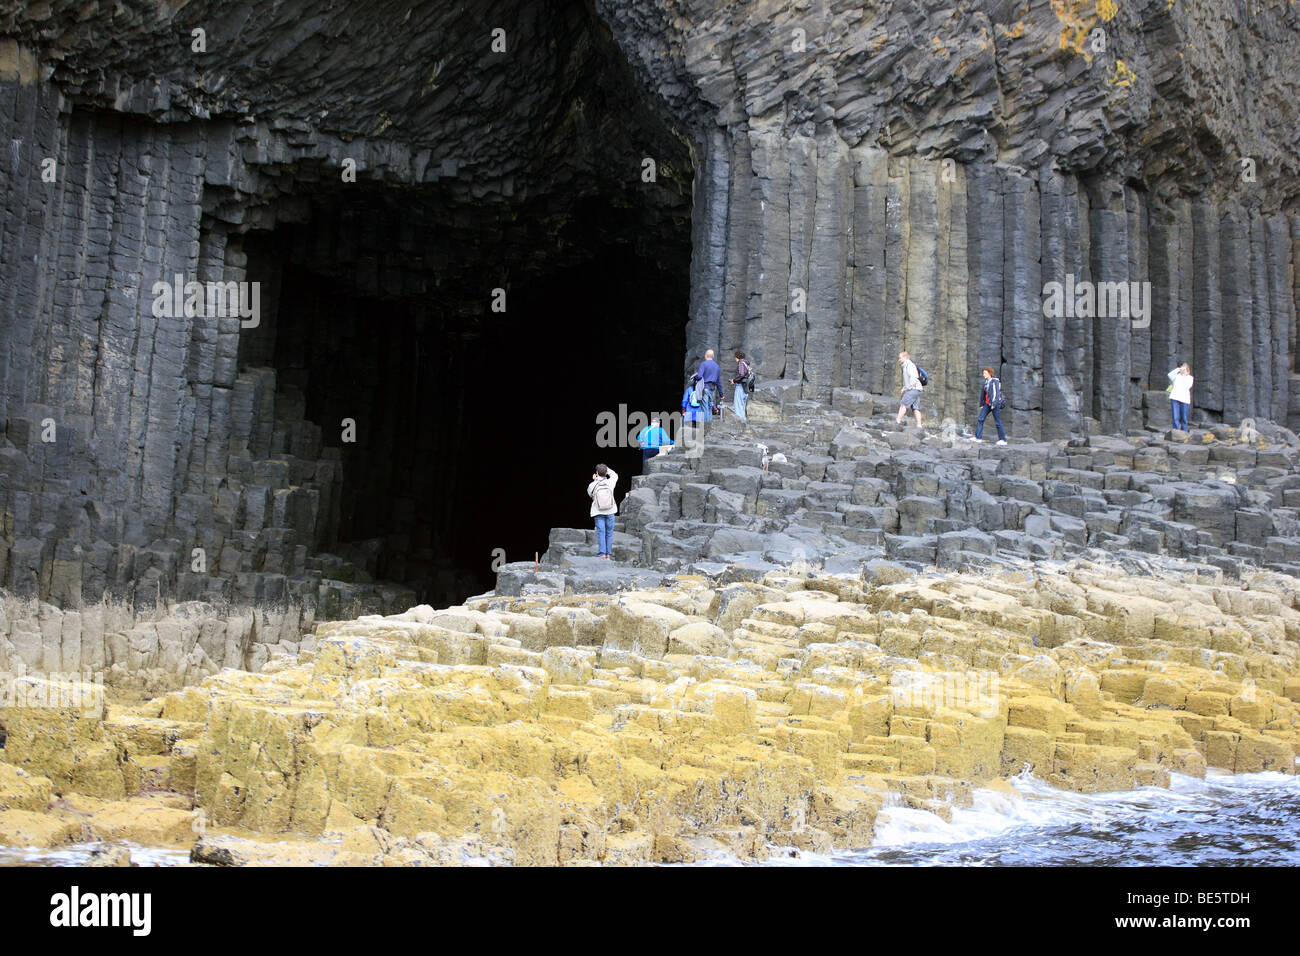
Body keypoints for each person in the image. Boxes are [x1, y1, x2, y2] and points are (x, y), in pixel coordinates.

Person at [587, 464, 619, 559]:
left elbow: (590, 495)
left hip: (598, 511)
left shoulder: (592, 485)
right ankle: (608, 554)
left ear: (596, 473)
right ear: (606, 473)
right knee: (609, 532)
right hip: (610, 510)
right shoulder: (611, 482)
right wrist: (606, 469)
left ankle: (602, 554)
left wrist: (595, 480)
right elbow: (615, 474)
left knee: (601, 532)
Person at [975, 366, 1007, 445]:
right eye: (983, 373)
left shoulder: (994, 381)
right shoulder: (986, 382)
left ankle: (1003, 440)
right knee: (980, 419)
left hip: (994, 404)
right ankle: (978, 437)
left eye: (985, 373)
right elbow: (983, 394)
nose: (984, 375)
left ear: (990, 373)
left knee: (998, 422)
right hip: (987, 404)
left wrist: (994, 404)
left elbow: (996, 393)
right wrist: (981, 404)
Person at [895, 351, 923, 429]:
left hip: (913, 389)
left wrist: (907, 388)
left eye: (900, 358)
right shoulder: (906, 366)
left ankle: (897, 421)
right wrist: (904, 388)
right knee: (915, 408)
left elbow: (914, 378)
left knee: (903, 404)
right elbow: (909, 381)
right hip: (918, 389)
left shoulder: (909, 365)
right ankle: (919, 426)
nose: (899, 360)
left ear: (905, 357)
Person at [695, 349, 721, 419]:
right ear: (713, 356)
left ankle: (705, 426)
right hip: (712, 389)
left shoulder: (703, 364)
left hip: (705, 388)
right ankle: (709, 425)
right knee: (710, 406)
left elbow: (699, 376)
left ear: (706, 356)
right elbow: (719, 382)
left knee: (704, 407)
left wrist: (696, 377)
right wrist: (721, 394)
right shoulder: (717, 366)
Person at [1168, 362, 1193, 432]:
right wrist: (1178, 369)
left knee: (1184, 417)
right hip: (1175, 398)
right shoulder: (1176, 376)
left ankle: (1184, 430)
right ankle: (1175, 430)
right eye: (1182, 368)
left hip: (1185, 400)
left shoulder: (1190, 378)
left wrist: (1184, 375)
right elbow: (1169, 375)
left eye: (1185, 369)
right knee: (1175, 416)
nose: (1183, 370)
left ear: (1188, 370)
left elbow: (1188, 386)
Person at [730, 350, 751, 423]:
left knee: (738, 407)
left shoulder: (741, 364)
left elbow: (741, 374)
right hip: (745, 387)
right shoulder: (746, 364)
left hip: (740, 387)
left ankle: (739, 427)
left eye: (735, 357)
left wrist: (734, 380)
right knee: (742, 407)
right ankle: (743, 425)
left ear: (737, 357)